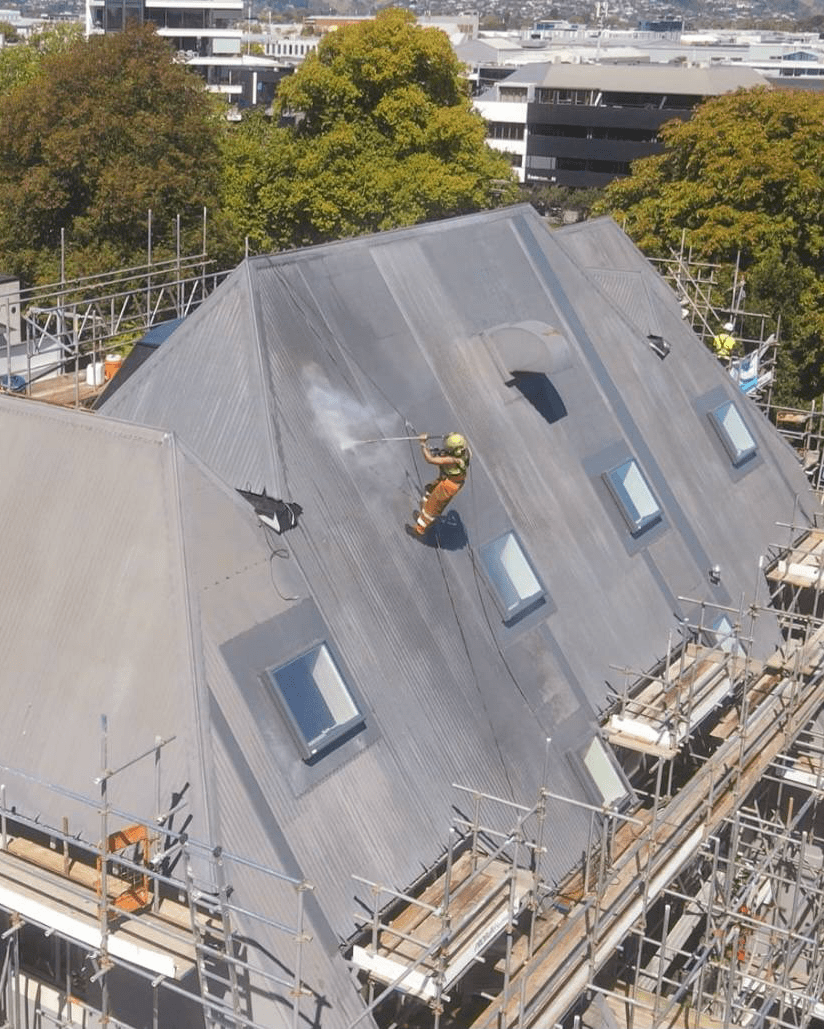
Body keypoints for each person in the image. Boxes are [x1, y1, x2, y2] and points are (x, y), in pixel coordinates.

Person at [409, 432, 471, 537]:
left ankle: (420, 529)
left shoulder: (453, 460)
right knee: (429, 491)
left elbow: (430, 460)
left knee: (433, 506)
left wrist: (423, 444)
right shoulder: (465, 452)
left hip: (449, 485)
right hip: (448, 479)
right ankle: (423, 514)